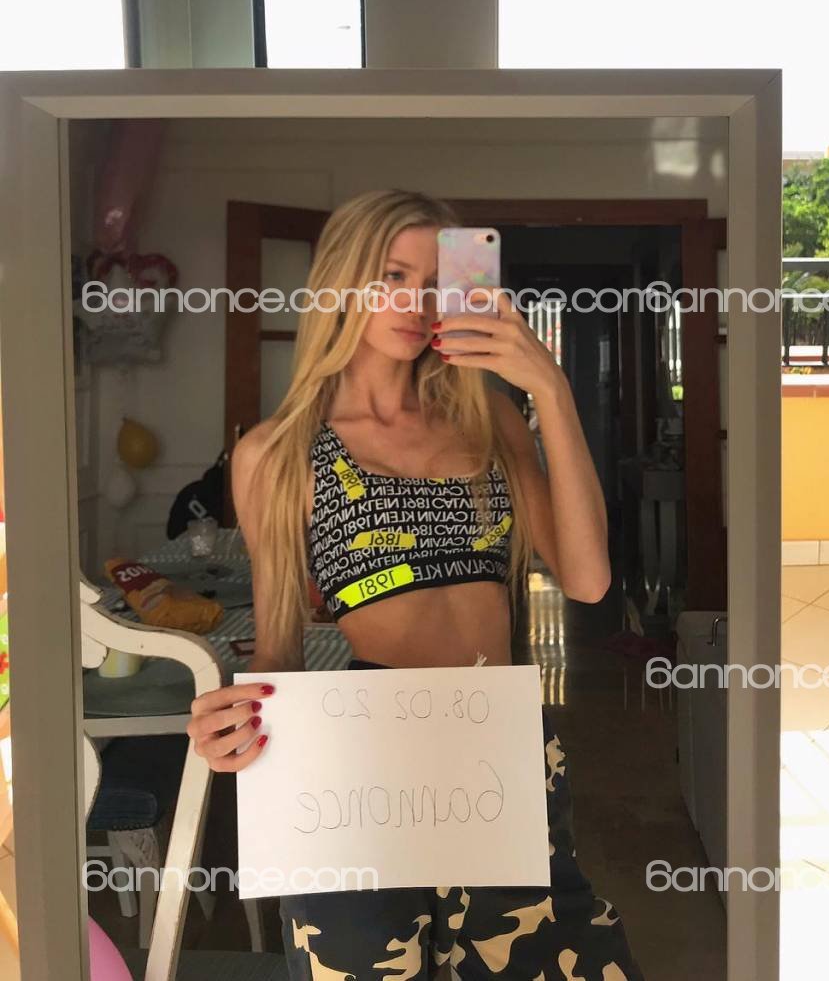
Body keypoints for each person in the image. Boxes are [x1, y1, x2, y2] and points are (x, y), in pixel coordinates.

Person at [186, 189, 645, 980]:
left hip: (497, 747)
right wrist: (232, 725)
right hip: (358, 760)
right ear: (342, 280)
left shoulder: (490, 418)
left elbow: (589, 577)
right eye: (392, 276)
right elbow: (278, 648)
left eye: (435, 282)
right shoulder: (277, 452)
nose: (415, 302)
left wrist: (551, 387)